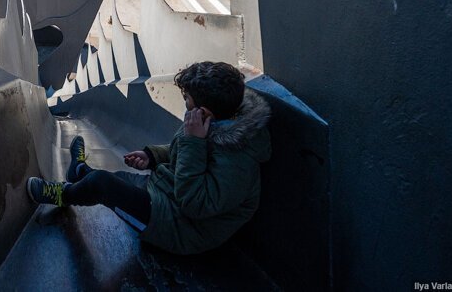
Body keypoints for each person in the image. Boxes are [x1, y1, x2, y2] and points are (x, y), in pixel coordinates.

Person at [26, 61, 272, 255]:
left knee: (103, 185)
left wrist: (193, 141)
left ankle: (62, 194)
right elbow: (182, 153)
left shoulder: (240, 162)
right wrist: (152, 156)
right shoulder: (213, 121)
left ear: (204, 111)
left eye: (187, 100)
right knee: (116, 179)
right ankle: (79, 171)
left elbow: (195, 203)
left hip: (179, 228)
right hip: (165, 193)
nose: (184, 103)